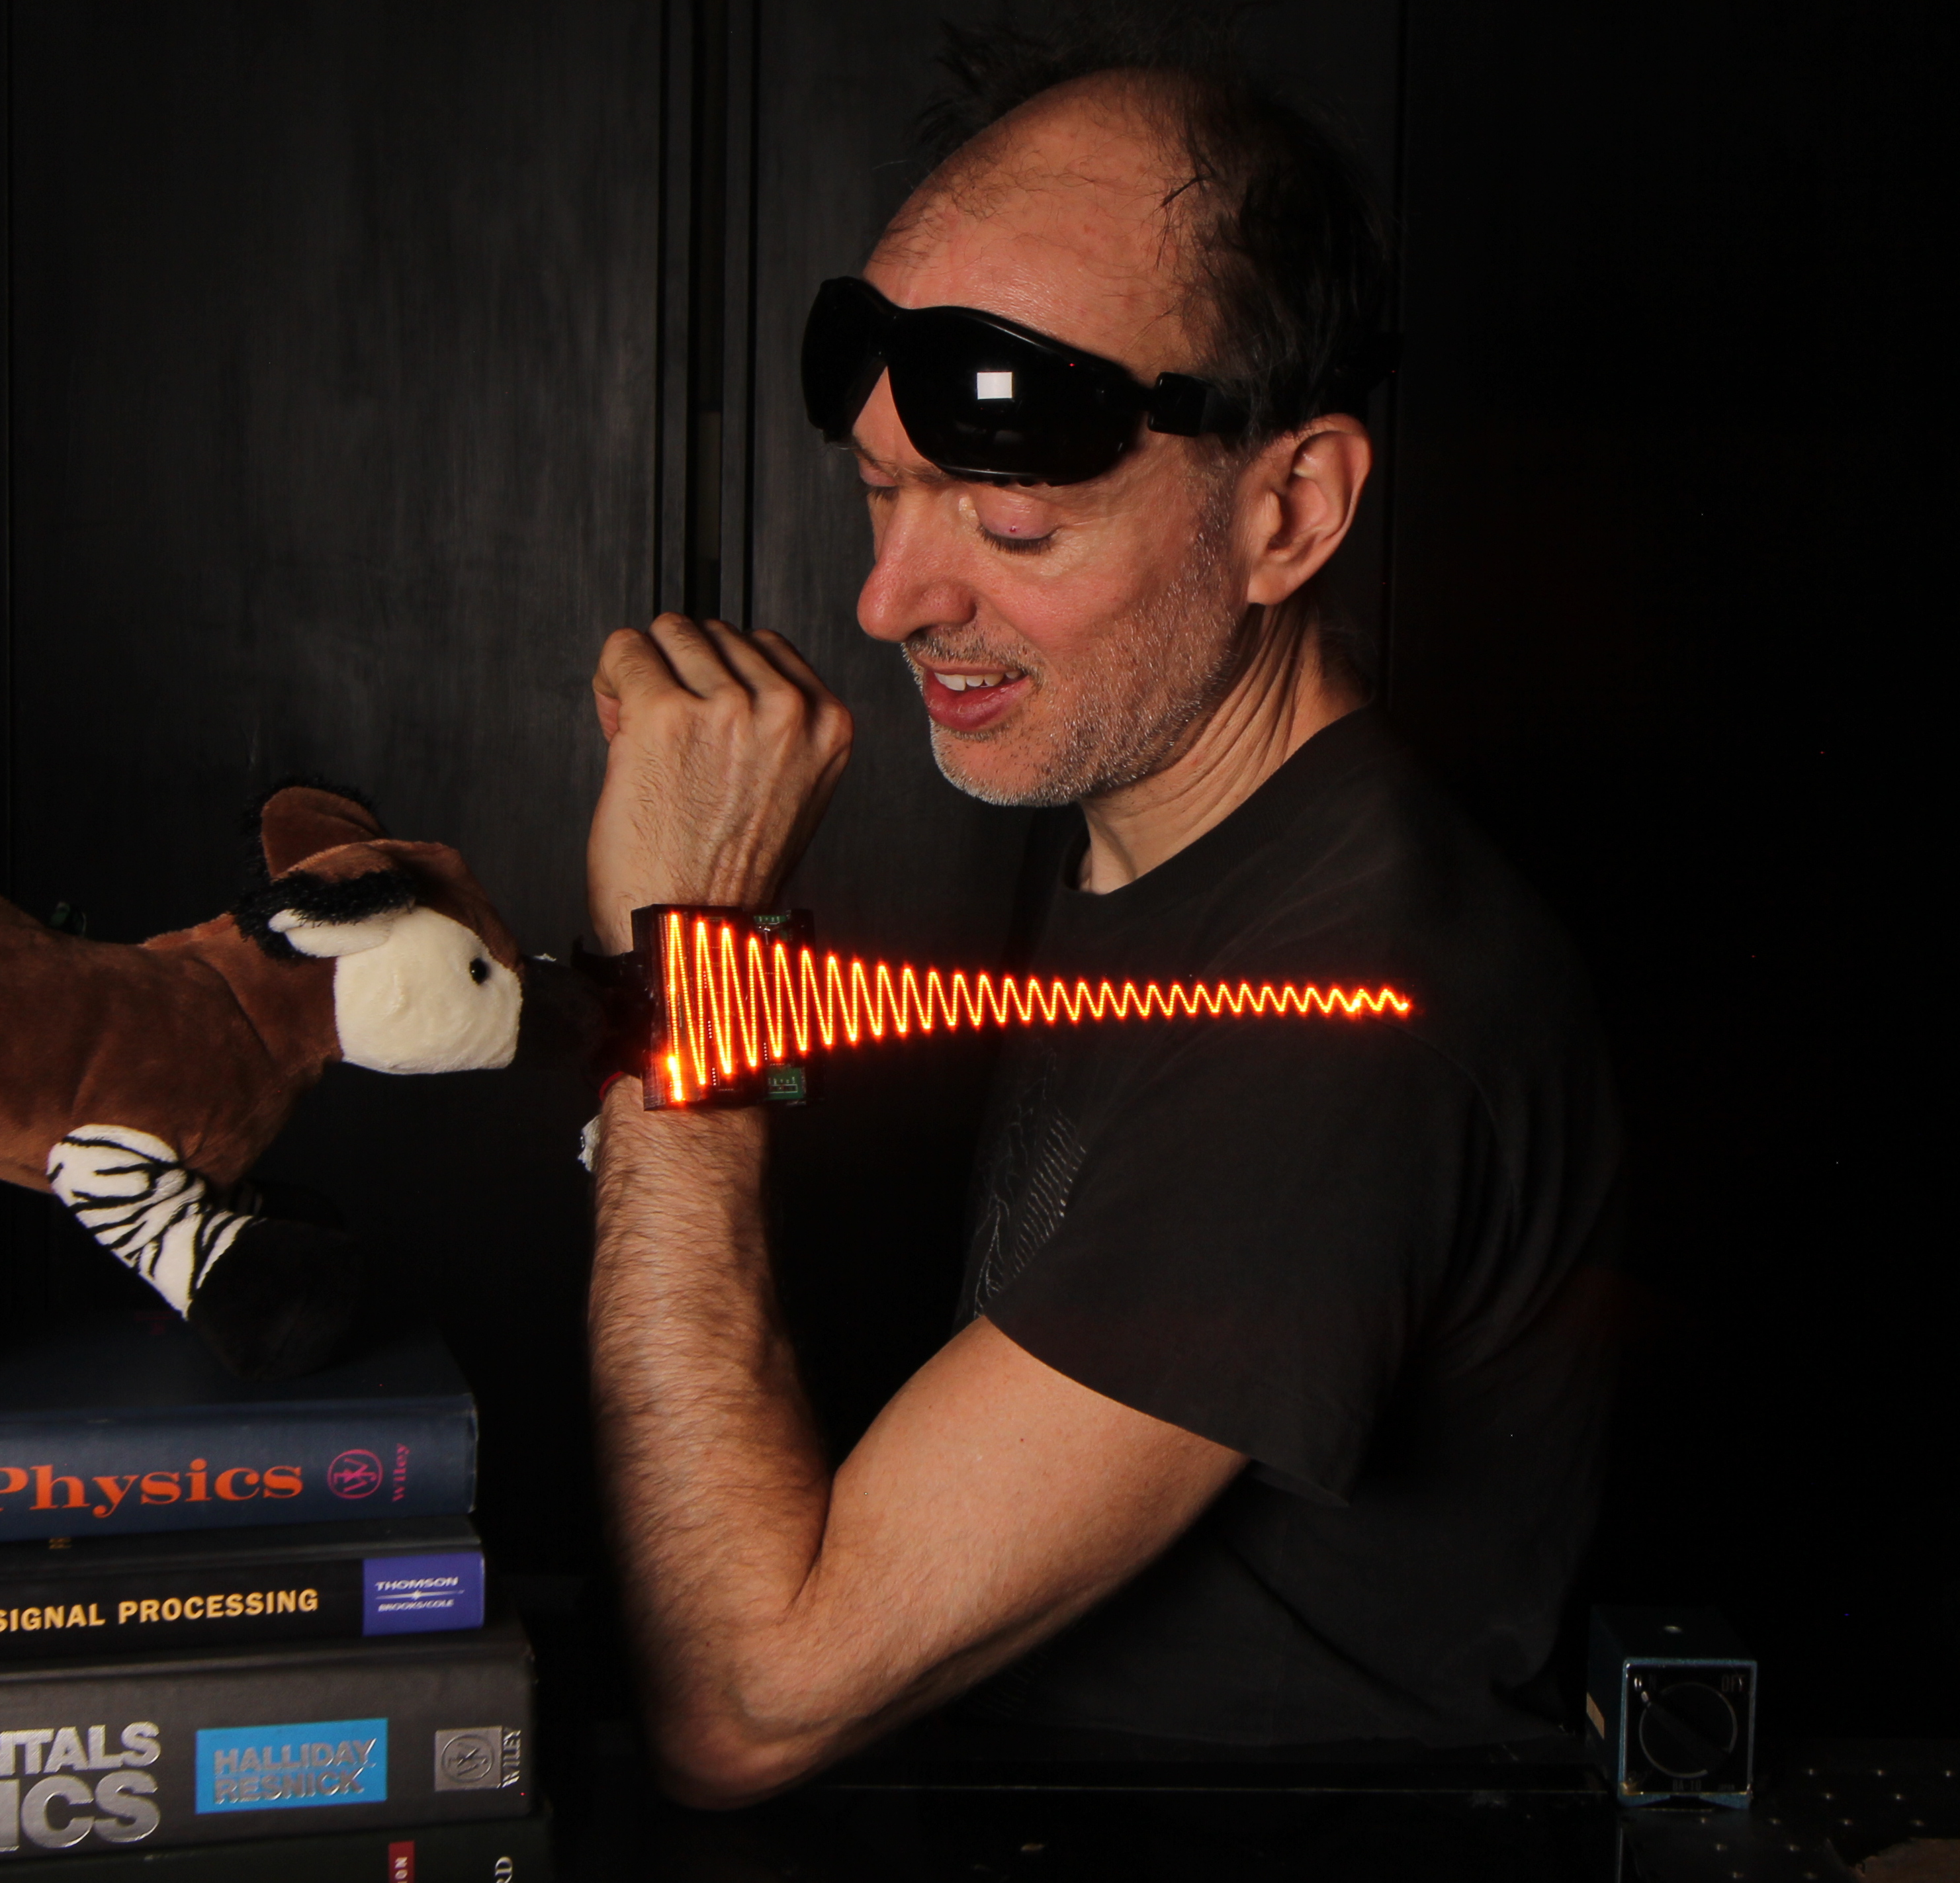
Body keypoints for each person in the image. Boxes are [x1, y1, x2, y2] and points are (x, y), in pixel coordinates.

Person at [578, 27, 1621, 1808]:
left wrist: (685, 975)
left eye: (1014, 529)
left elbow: (754, 1699)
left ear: (1288, 511)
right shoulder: (1132, 823)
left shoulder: (1344, 1016)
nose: (892, 600)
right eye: (882, 492)